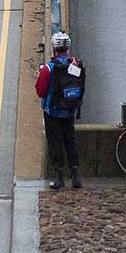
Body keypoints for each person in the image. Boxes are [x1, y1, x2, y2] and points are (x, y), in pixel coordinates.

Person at [35, 30, 85, 190]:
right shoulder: (76, 64)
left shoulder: (49, 68)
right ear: (67, 48)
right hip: (70, 110)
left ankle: (59, 178)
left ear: (54, 48)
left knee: (55, 143)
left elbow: (40, 91)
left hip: (53, 111)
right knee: (70, 141)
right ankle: (76, 177)